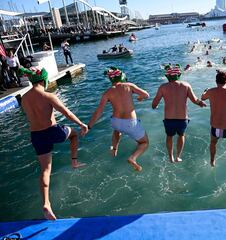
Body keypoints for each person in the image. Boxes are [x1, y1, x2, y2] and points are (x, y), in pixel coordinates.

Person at [18, 67, 88, 220]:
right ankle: (74, 162)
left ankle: (46, 204)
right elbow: (67, 113)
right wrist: (82, 124)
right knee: (74, 135)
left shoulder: (24, 98)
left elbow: (29, 118)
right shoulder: (48, 95)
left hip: (36, 136)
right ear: (44, 79)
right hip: (53, 131)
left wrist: (32, 135)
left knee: (45, 170)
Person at [88, 66, 149, 171]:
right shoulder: (128, 85)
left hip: (116, 122)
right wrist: (140, 97)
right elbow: (146, 95)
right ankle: (133, 158)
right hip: (130, 123)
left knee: (117, 130)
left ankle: (114, 149)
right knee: (144, 143)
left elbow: (99, 111)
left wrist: (88, 126)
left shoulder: (107, 92)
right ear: (122, 77)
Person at [152, 64, 206, 163]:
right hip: (182, 118)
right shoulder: (186, 85)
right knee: (181, 135)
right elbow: (194, 100)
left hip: (169, 119)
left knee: (169, 136)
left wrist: (155, 106)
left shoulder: (163, 87)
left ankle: (171, 157)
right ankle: (178, 156)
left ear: (167, 76)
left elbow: (154, 103)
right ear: (179, 75)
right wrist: (200, 103)